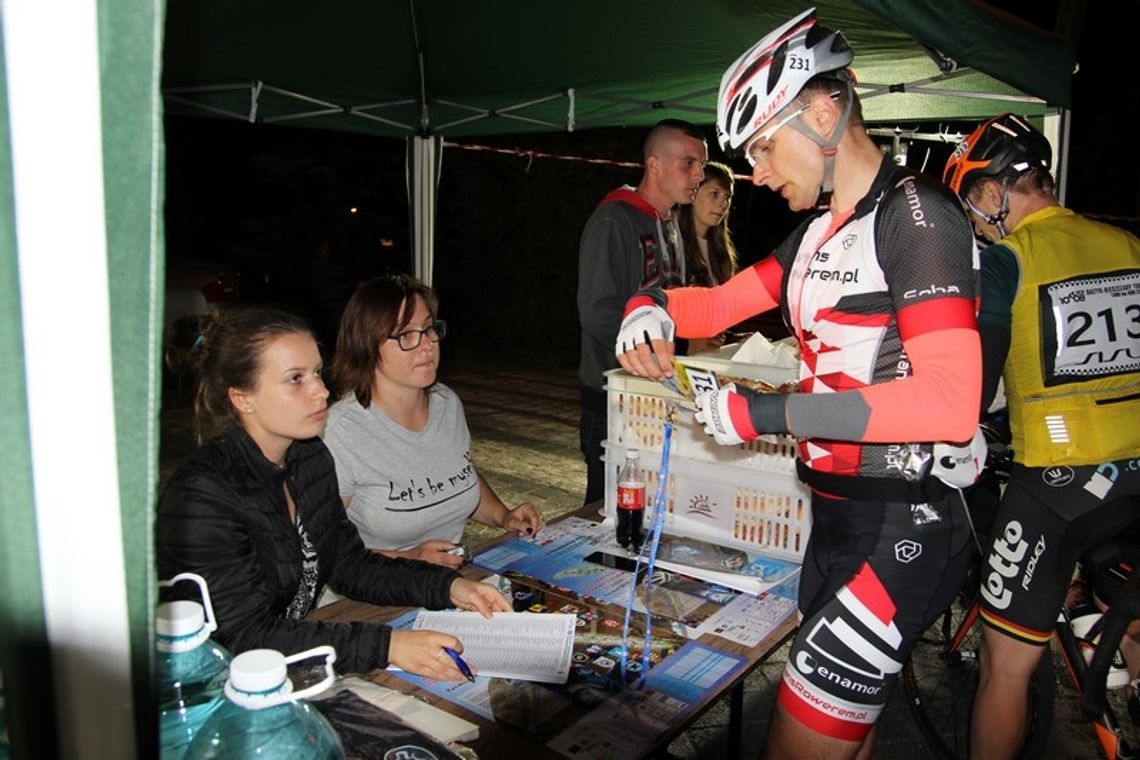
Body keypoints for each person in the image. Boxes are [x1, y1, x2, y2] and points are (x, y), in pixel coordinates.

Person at [615, 9, 982, 756]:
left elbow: (950, 401)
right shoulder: (817, 231)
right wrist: (646, 305)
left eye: (762, 145)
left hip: (903, 523)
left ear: (822, 112)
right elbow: (718, 303)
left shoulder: (917, 218)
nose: (755, 170)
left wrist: (762, 414)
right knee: (843, 736)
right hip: (837, 522)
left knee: (798, 740)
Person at [155, 306, 511, 678]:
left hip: (292, 659)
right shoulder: (203, 496)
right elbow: (241, 638)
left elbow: (348, 563)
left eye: (317, 373)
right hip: (214, 687)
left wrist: (449, 587)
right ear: (242, 398)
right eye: (296, 379)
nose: (322, 391)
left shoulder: (308, 456)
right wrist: (389, 645)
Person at [941, 113, 1140, 760]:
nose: (973, 216)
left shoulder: (1007, 259)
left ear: (998, 192)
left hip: (1058, 488)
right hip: (1135, 474)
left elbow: (975, 384)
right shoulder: (1125, 244)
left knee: (1005, 667)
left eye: (973, 199)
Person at [324, 275, 542, 569]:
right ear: (367, 346)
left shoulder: (446, 403)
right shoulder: (340, 432)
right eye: (407, 335)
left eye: (428, 329)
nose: (427, 344)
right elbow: (321, 550)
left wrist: (504, 516)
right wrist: (407, 558)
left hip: (443, 586)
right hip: (368, 598)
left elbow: (457, 476)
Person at [577, 117, 708, 506]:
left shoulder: (669, 223)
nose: (699, 175)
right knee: (610, 507)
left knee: (656, 501)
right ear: (654, 165)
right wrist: (651, 351)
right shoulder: (613, 219)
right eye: (689, 163)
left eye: (701, 164)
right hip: (614, 394)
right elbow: (597, 312)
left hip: (658, 391)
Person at [677, 160, 741, 354]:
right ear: (694, 193)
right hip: (677, 360)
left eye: (727, 197)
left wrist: (733, 338)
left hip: (709, 359)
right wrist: (686, 345)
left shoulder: (720, 250)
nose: (722, 203)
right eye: (714, 194)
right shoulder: (673, 244)